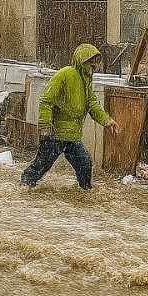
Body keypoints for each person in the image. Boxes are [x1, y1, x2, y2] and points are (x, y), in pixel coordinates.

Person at [20, 43, 120, 190]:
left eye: (97, 63)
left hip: (72, 137)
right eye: (93, 64)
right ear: (83, 61)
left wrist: (107, 120)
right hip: (54, 135)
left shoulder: (86, 80)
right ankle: (23, 188)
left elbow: (92, 104)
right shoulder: (65, 74)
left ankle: (85, 192)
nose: (96, 67)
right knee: (41, 167)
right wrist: (45, 126)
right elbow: (46, 100)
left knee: (85, 162)